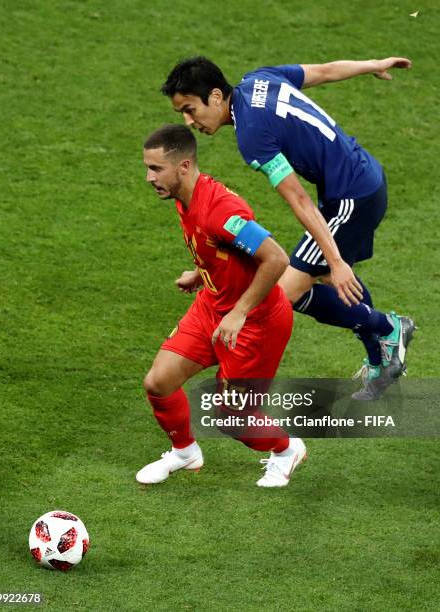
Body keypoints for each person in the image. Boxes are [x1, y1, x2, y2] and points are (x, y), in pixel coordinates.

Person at [161, 57, 416, 400]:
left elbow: (297, 198)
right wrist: (371, 64)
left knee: (283, 293)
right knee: (321, 277)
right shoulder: (259, 79)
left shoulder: (251, 135)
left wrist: (336, 260)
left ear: (217, 96)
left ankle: (387, 329)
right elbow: (324, 72)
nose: (189, 122)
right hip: (364, 176)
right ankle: (380, 355)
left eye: (190, 109)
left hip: (351, 198)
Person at [138, 123, 306, 488]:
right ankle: (185, 453)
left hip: (256, 321)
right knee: (159, 381)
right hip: (213, 305)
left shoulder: (221, 210)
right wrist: (202, 272)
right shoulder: (184, 197)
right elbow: (223, 250)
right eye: (148, 168)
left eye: (156, 169)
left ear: (183, 166)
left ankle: (286, 449)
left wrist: (239, 312)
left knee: (231, 416)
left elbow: (275, 259)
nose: (149, 177)